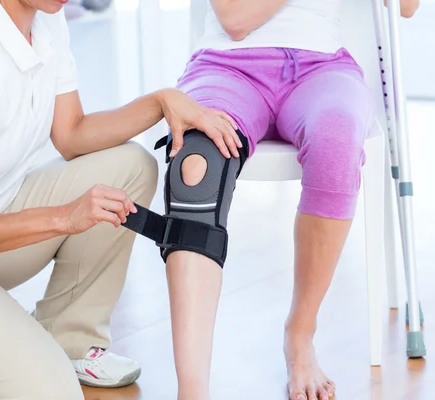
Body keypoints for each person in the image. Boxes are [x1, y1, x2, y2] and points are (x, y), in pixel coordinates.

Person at [0, 0, 238, 398]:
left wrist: (161, 102)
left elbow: (72, 133)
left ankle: (71, 341)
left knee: (130, 166)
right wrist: (64, 218)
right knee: (52, 394)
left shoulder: (45, 18)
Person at [153, 1, 420, 400]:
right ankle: (192, 392)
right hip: (226, 66)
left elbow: (406, 7)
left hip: (322, 68)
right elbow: (235, 19)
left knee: (337, 141)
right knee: (196, 169)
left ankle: (300, 335)